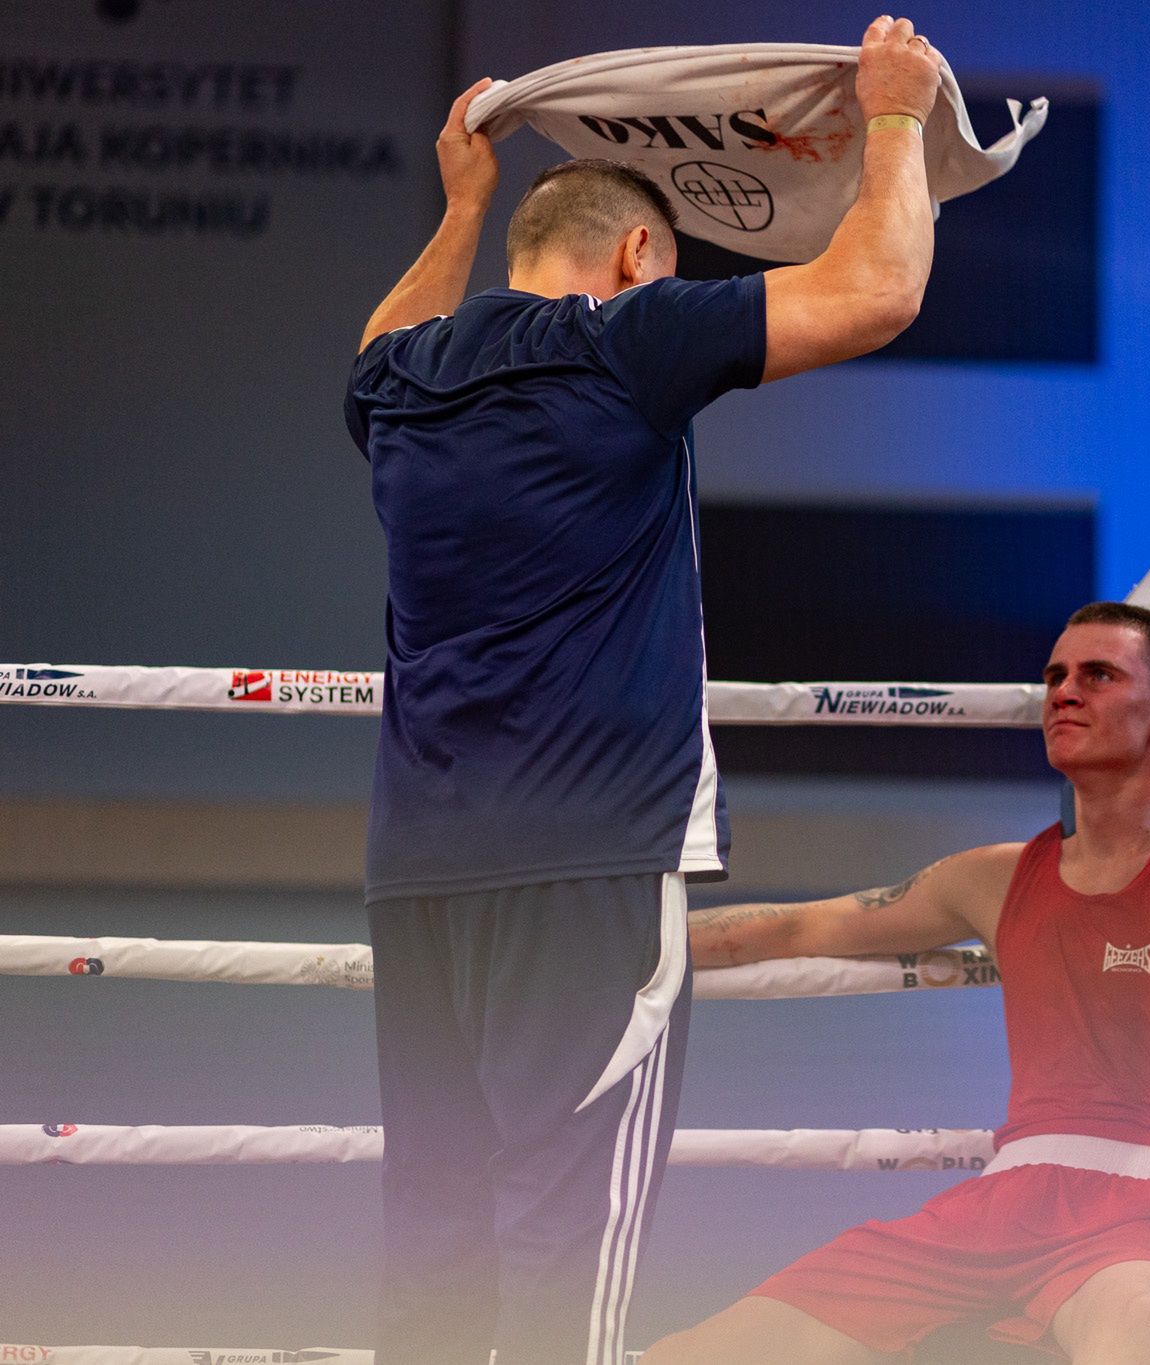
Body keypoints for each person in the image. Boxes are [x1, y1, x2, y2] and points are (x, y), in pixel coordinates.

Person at [341, 18, 945, 1364]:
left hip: (422, 872)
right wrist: (897, 117)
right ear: (636, 259)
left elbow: (381, 334)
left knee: (432, 1233)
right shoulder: (623, 341)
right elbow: (878, 292)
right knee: (570, 1252)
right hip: (586, 861)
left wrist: (462, 208)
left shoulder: (403, 383)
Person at [641, 602, 1150, 1365]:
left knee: (1133, 1345)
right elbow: (798, 928)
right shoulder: (994, 876)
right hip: (992, 1208)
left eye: (1098, 675)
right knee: (693, 1354)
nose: (1065, 692)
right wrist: (604, 950)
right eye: (1055, 676)